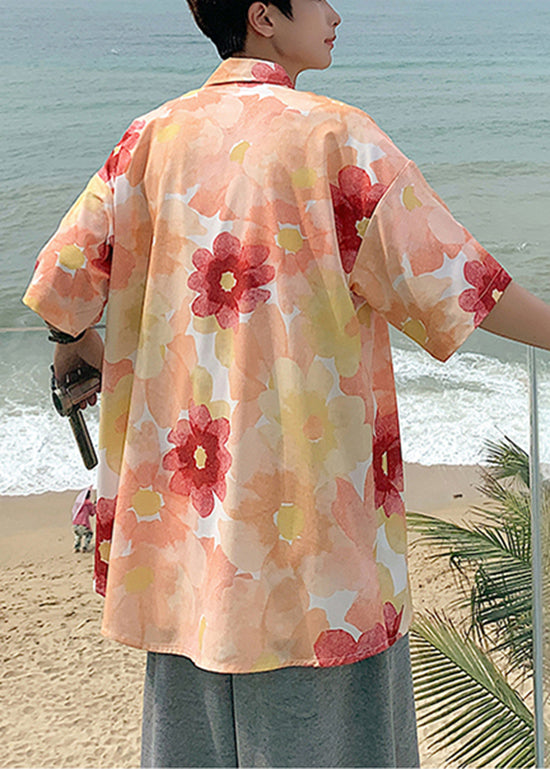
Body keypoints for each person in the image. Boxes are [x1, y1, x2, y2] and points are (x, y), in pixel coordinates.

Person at [21, 0, 550, 766]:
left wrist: (75, 344)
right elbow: (460, 282)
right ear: (263, 15)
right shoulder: (336, 137)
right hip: (315, 558)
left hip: (188, 557)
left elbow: (61, 279)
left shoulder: (149, 139)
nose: (337, 13)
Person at [71, 487, 96, 553]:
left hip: (75, 523)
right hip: (83, 524)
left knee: (78, 535)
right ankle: (85, 547)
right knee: (89, 534)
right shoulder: (88, 504)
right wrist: (94, 506)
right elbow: (92, 513)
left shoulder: (78, 503)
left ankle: (76, 547)